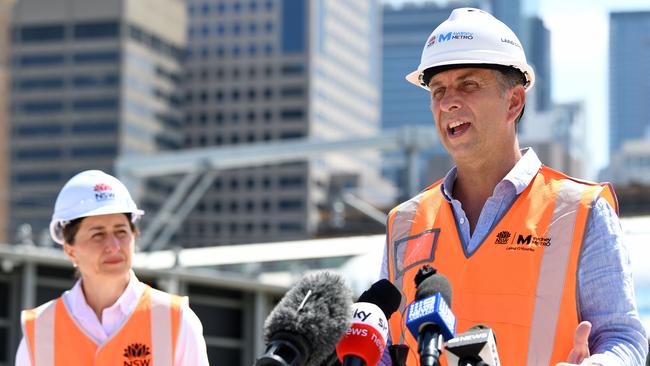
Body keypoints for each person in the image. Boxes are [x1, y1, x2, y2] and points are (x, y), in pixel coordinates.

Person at [380, 7, 648, 366]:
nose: (447, 102)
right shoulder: (404, 222)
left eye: (468, 84)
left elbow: (622, 337)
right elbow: (384, 347)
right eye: (437, 90)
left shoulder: (580, 210)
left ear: (515, 101)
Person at [15, 170, 210, 365]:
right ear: (70, 249)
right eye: (98, 235)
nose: (114, 246)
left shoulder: (175, 320)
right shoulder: (40, 329)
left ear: (134, 237)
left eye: (121, 232)